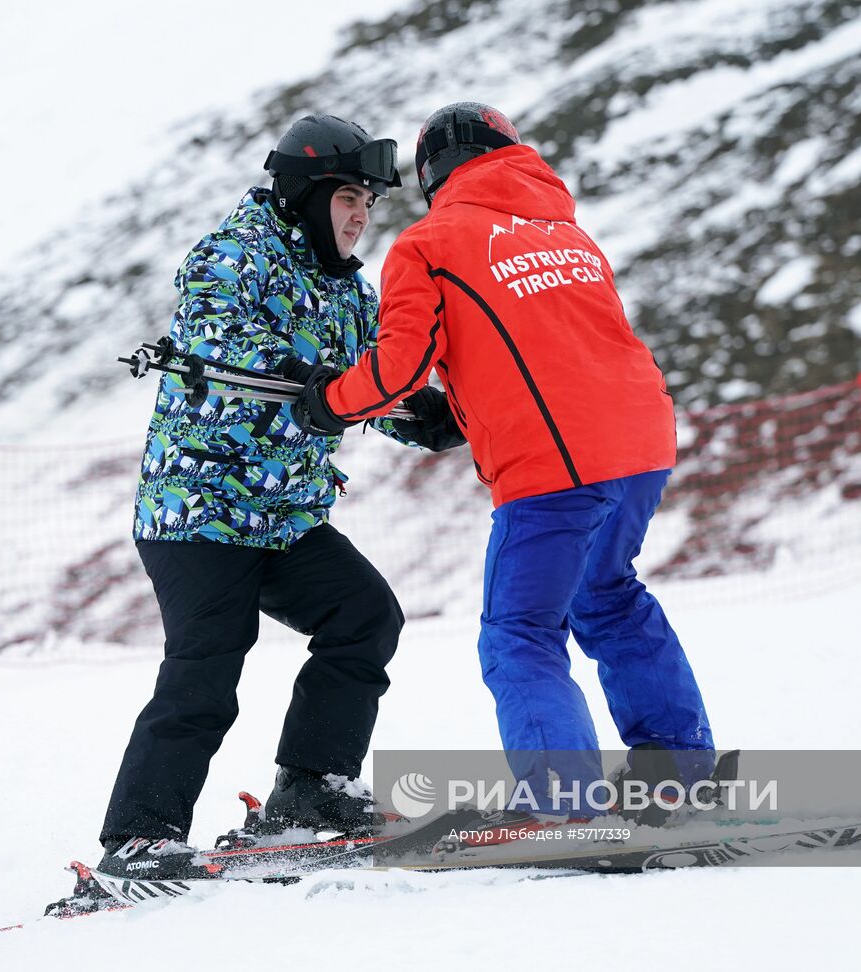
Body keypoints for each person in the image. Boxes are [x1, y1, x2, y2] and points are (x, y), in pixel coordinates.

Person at [287, 102, 715, 832]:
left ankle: (565, 806)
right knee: (607, 596)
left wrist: (329, 401)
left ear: (431, 175)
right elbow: (556, 348)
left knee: (519, 631)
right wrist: (457, 410)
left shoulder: (430, 243)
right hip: (642, 442)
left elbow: (396, 368)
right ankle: (678, 774)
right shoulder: (567, 233)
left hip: (553, 468)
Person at [95, 114, 452, 882]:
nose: (362, 215)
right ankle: (139, 837)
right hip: (199, 513)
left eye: (369, 202)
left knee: (365, 615)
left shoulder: (349, 291)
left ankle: (311, 786)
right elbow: (223, 342)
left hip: (282, 518)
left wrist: (420, 415)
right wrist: (323, 387)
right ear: (305, 194)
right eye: (350, 197)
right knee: (207, 667)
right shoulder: (234, 254)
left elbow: (361, 384)